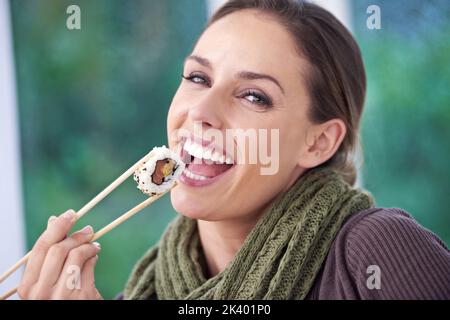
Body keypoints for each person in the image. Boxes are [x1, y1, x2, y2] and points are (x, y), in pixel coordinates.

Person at [18, 0, 449, 300]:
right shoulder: (141, 289)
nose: (201, 112)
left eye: (253, 96)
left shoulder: (375, 253)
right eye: (197, 79)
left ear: (318, 142)